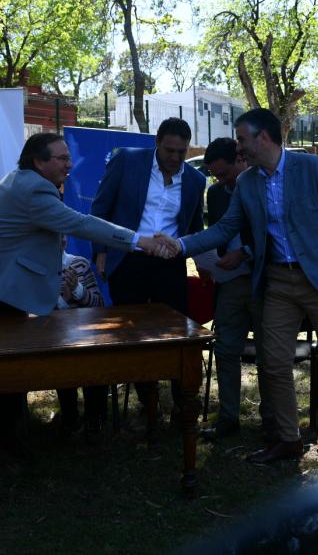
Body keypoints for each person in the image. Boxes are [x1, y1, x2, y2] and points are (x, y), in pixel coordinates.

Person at [0, 131, 175, 466]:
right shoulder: (33, 189)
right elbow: (81, 223)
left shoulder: (27, 180)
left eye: (68, 158)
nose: (69, 164)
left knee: (12, 368)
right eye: (61, 158)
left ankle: (6, 435)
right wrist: (140, 241)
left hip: (4, 288)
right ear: (38, 161)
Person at [170, 108, 318, 466]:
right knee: (274, 363)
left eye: (242, 140)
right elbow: (224, 229)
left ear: (262, 138)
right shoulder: (249, 182)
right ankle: (288, 439)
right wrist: (179, 245)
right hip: (279, 282)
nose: (239, 149)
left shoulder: (314, 170)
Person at [90, 117, 205, 424]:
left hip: (169, 266)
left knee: (177, 335)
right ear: (157, 142)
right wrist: (100, 251)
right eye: (170, 150)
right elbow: (100, 210)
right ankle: (148, 402)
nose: (175, 158)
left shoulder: (195, 180)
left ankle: (183, 403)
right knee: (133, 334)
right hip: (128, 262)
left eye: (182, 152)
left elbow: (195, 229)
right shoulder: (127, 161)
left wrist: (184, 249)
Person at [197, 138, 264, 442]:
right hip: (232, 281)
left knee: (269, 353)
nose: (221, 182)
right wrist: (206, 260)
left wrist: (246, 252)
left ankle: (274, 419)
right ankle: (228, 417)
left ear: (241, 161)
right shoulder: (216, 193)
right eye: (215, 176)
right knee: (225, 348)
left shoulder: (264, 185)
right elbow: (218, 232)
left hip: (265, 280)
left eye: (224, 174)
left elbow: (276, 233)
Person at [54, 236, 106, 442]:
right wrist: (65, 301)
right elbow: (36, 313)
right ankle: (70, 415)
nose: (63, 241)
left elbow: (98, 304)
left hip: (86, 334)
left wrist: (77, 290)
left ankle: (94, 418)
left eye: (63, 238)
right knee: (63, 360)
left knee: (95, 356)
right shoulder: (36, 268)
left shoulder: (80, 264)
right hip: (54, 337)